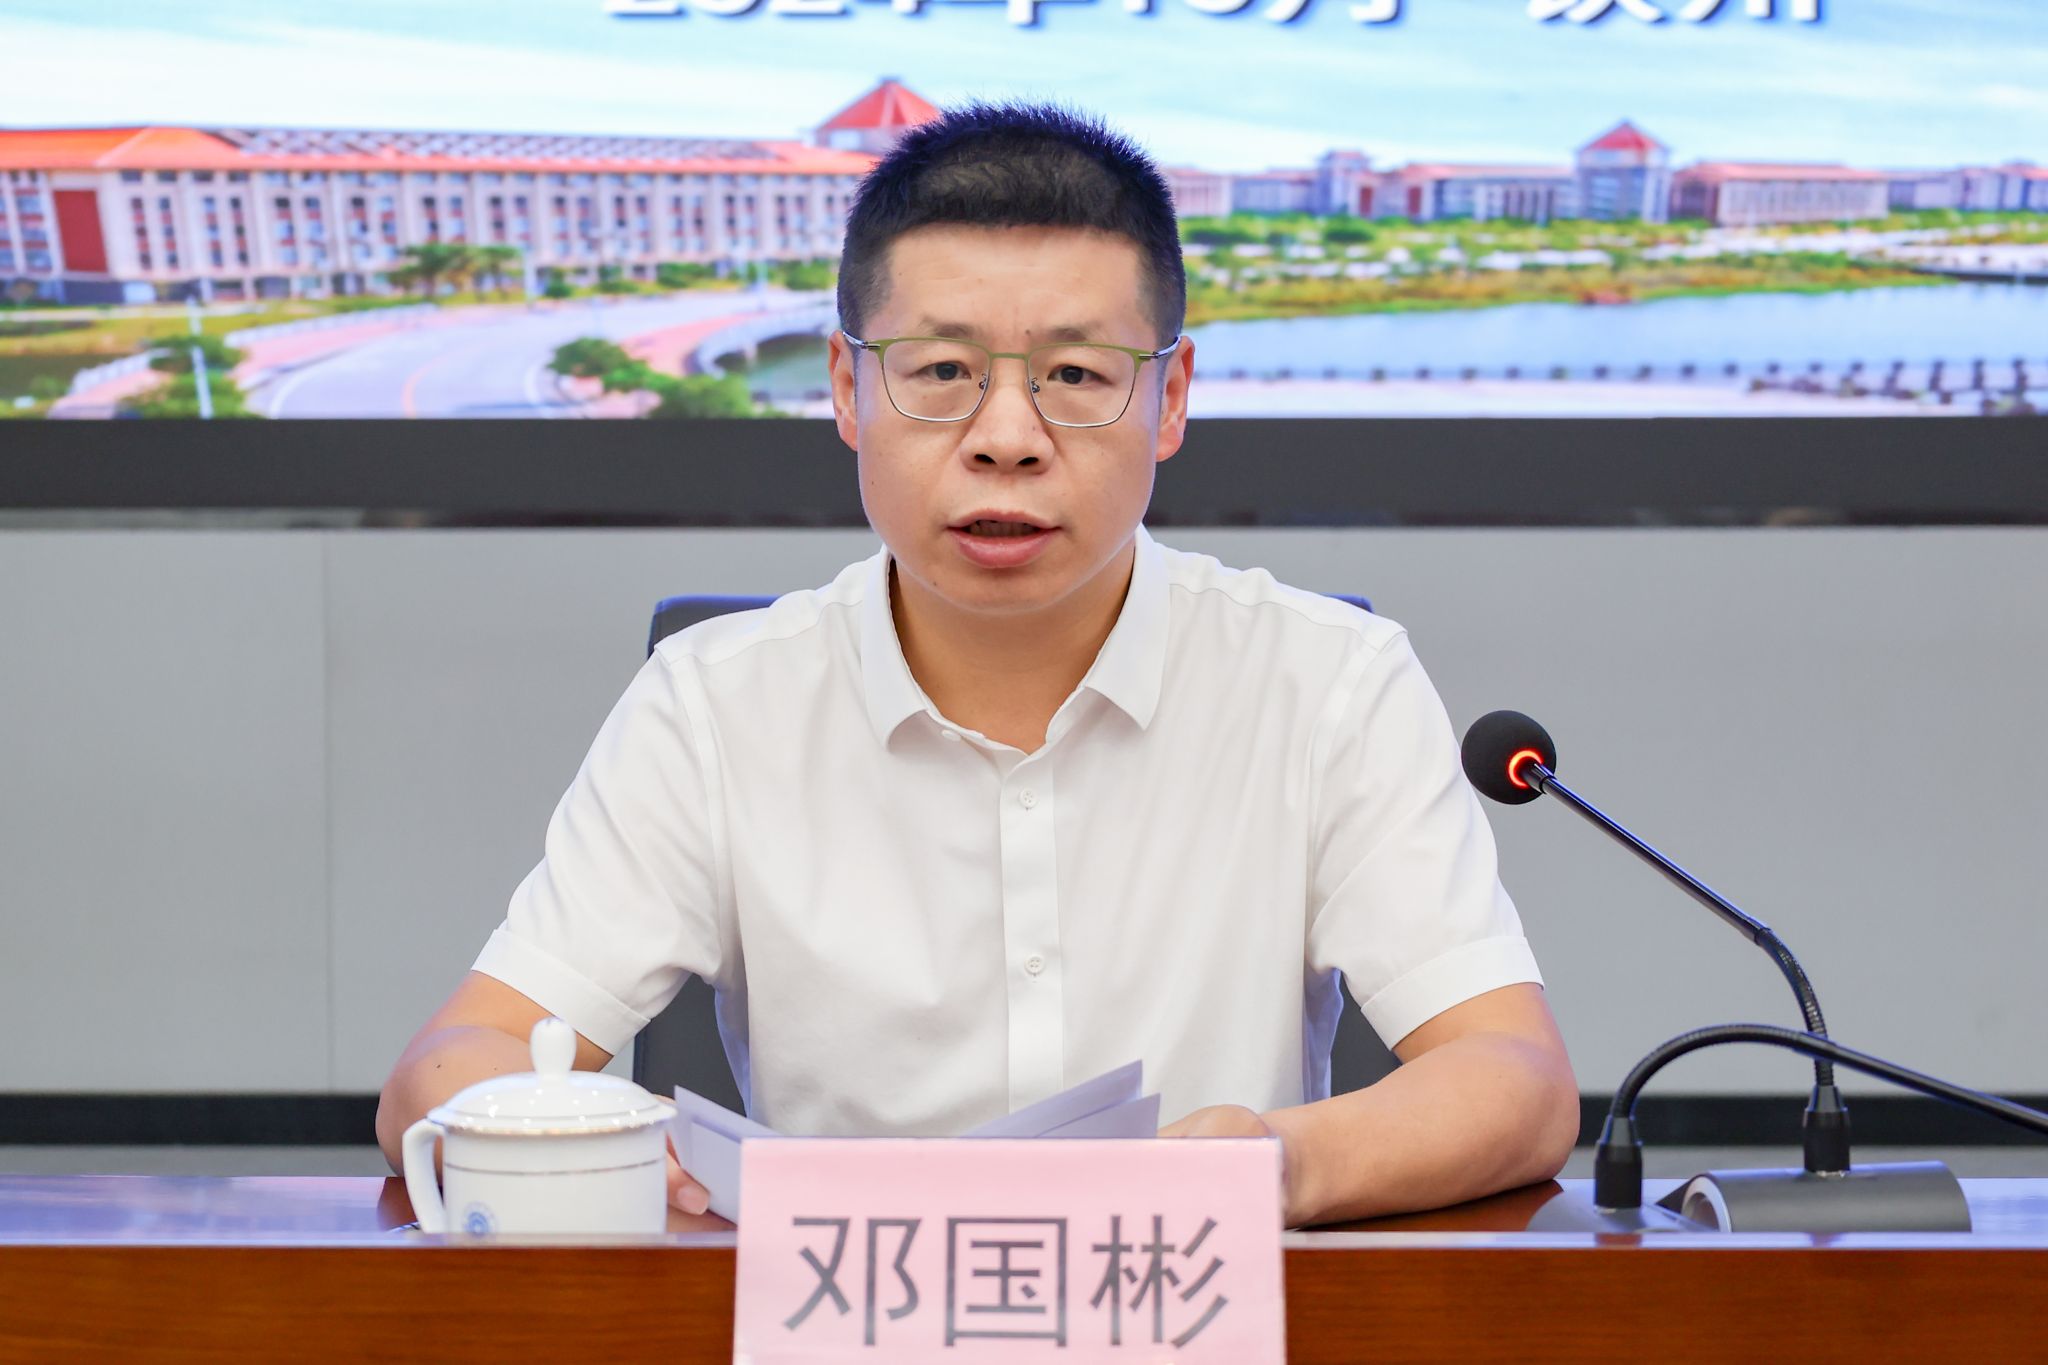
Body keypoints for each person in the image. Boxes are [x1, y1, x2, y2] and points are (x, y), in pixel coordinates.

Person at [376, 101, 1578, 1228]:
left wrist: (1272, 1164)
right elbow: (449, 1068)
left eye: (1076, 377)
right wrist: (618, 1150)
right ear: (847, 389)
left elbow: (1512, 1081)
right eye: (942, 372)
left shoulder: (1327, 683)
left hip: (1193, 1316)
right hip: (835, 1326)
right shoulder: (714, 703)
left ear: (1168, 400)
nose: (1007, 439)